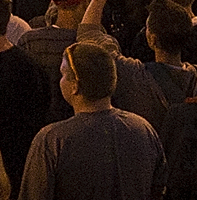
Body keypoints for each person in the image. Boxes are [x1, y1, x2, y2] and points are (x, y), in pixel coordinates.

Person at [15, 47, 160, 200]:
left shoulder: (52, 139)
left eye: (63, 74)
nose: (60, 79)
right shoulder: (143, 128)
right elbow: (159, 187)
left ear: (75, 86)